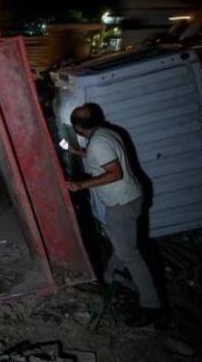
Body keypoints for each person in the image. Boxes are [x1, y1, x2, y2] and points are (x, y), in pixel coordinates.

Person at [65, 102, 163, 327]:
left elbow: (114, 173)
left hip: (122, 203)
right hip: (131, 198)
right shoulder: (107, 133)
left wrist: (82, 185)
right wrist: (75, 151)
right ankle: (109, 277)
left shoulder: (99, 143)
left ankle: (151, 305)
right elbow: (97, 156)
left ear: (78, 128)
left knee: (130, 254)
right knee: (121, 241)